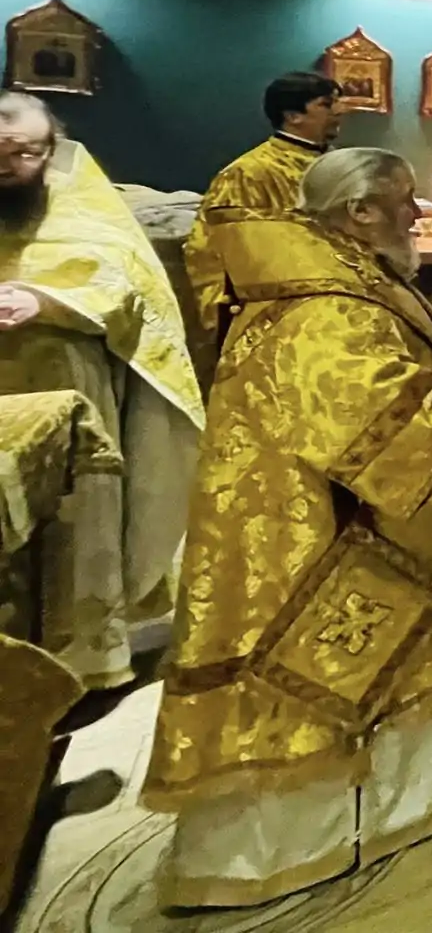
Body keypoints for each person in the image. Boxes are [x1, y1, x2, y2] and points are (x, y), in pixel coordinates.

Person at [142, 147, 432, 908]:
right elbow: (361, 417)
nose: (418, 212)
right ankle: (303, 840)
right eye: (404, 199)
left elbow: (368, 354)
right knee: (322, 674)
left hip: (328, 512)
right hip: (326, 529)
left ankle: (396, 807)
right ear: (360, 211)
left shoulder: (326, 266)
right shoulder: (320, 297)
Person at [0, 92, 204, 690]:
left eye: (24, 152)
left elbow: (123, 282)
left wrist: (45, 299)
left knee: (70, 524)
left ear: (51, 148)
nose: (9, 165)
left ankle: (78, 662)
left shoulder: (82, 202)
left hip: (68, 387)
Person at [185, 70, 344, 368]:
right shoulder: (249, 173)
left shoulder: (340, 166)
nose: (340, 111)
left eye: (337, 102)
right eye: (326, 104)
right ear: (293, 116)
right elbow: (217, 252)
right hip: (282, 309)